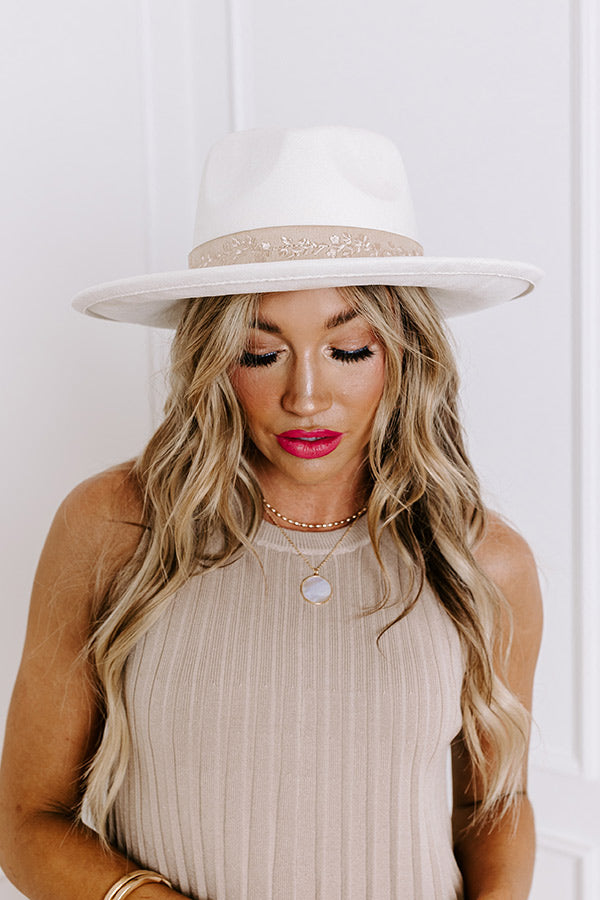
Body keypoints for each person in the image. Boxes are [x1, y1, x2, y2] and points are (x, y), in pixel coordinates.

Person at [0, 126, 543, 900]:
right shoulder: (114, 526)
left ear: (405, 354)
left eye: (348, 350)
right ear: (213, 360)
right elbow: (27, 819)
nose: (306, 397)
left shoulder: (484, 560)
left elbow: (493, 803)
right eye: (261, 353)